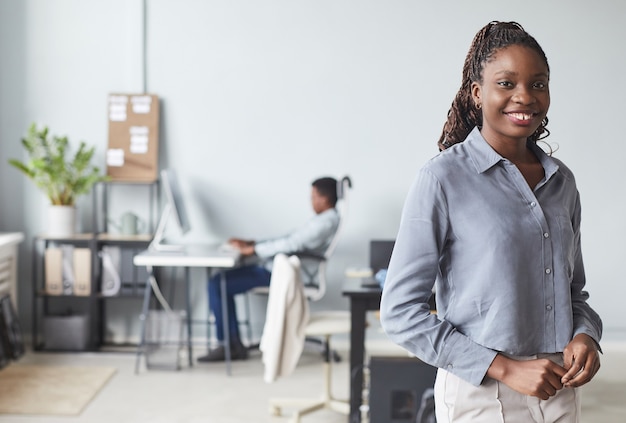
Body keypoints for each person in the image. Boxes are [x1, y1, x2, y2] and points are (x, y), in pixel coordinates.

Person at [379, 21, 602, 422]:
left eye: (538, 84)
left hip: (559, 388)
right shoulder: (442, 179)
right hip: (482, 393)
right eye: (506, 83)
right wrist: (505, 368)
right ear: (478, 93)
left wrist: (586, 335)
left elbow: (573, 293)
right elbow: (399, 312)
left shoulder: (562, 182)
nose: (525, 97)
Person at [198, 176, 340, 362]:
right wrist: (254, 243)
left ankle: (228, 345)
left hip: (282, 274)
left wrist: (254, 250)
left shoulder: (325, 222)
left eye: (313, 196)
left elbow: (292, 243)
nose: (311, 201)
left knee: (218, 283)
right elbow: (289, 237)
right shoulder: (322, 219)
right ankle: (231, 344)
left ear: (324, 198)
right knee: (220, 281)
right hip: (277, 268)